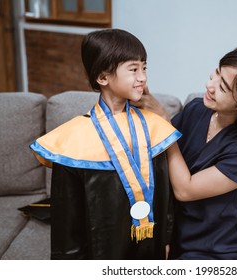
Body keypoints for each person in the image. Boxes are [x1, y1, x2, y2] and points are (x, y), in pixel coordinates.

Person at [29, 29, 181, 259]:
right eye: (133, 69)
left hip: (150, 251)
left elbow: (166, 197)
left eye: (144, 67)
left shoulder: (156, 128)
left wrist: (168, 240)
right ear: (102, 78)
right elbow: (66, 223)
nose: (142, 77)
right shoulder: (72, 142)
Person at [133, 44, 237, 259]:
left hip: (220, 249)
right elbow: (159, 158)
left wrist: (166, 129)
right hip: (177, 234)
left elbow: (185, 190)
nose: (210, 85)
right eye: (217, 73)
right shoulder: (197, 109)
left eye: (224, 87)